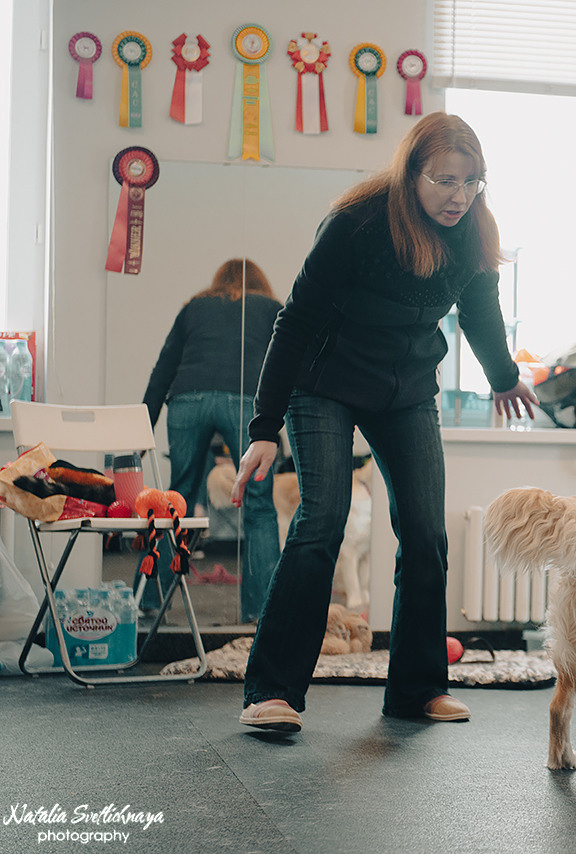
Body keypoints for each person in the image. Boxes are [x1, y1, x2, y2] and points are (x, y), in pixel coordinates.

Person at [231, 112, 539, 733]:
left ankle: (418, 688)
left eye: (472, 182)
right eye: (446, 181)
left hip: (405, 390)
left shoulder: (473, 230)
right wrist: (264, 426)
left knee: (425, 532)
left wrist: (504, 378)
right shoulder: (357, 225)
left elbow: (480, 313)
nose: (460, 196)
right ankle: (273, 691)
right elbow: (293, 323)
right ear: (411, 174)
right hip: (326, 385)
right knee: (322, 520)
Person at [142, 259, 283, 624]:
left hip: (188, 398)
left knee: (177, 499)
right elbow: (288, 364)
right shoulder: (271, 308)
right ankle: (260, 612)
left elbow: (163, 368)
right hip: (246, 400)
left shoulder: (195, 307)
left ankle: (151, 602)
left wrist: (141, 426)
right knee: (259, 506)